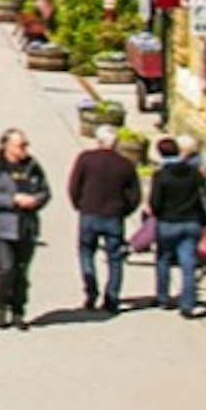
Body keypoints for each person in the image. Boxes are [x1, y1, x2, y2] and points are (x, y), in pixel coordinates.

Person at [0, 128, 50, 331]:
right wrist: (12, 200)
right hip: (4, 228)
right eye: (21, 145)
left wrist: (36, 201)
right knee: (6, 269)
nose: (25, 149)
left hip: (27, 227)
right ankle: (1, 306)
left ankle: (19, 310)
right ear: (7, 146)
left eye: (26, 144)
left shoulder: (33, 166)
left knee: (21, 272)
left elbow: (45, 191)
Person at [66, 127, 139, 313]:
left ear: (97, 141)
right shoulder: (125, 164)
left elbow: (74, 186)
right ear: (115, 143)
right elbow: (135, 195)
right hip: (114, 216)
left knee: (86, 252)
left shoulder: (85, 159)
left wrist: (79, 205)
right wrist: (125, 210)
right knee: (115, 258)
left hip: (89, 213)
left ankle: (91, 291)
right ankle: (112, 297)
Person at [146, 137, 206, 315]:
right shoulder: (194, 173)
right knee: (188, 263)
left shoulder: (160, 175)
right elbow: (204, 195)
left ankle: (163, 297)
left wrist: (159, 214)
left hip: (168, 223)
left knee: (163, 259)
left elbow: (155, 203)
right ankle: (188, 303)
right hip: (191, 222)